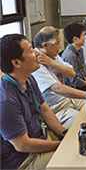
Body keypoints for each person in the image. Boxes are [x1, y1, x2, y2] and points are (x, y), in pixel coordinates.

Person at [0, 34, 66, 169]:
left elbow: (44, 110)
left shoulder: (28, 78)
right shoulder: (6, 102)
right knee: (73, 158)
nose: (37, 53)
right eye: (30, 50)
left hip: (42, 136)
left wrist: (63, 133)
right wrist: (61, 145)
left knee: (82, 137)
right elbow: (22, 145)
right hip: (24, 159)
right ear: (17, 63)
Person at [32, 26, 86, 126]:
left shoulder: (52, 56)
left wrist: (53, 63)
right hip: (56, 108)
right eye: (58, 43)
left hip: (67, 99)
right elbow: (57, 88)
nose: (60, 47)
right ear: (45, 46)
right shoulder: (36, 63)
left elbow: (72, 74)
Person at [62, 22, 86, 91]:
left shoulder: (80, 49)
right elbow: (74, 81)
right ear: (75, 39)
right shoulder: (70, 55)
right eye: (83, 36)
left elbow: (82, 69)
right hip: (75, 89)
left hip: (83, 82)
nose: (85, 37)